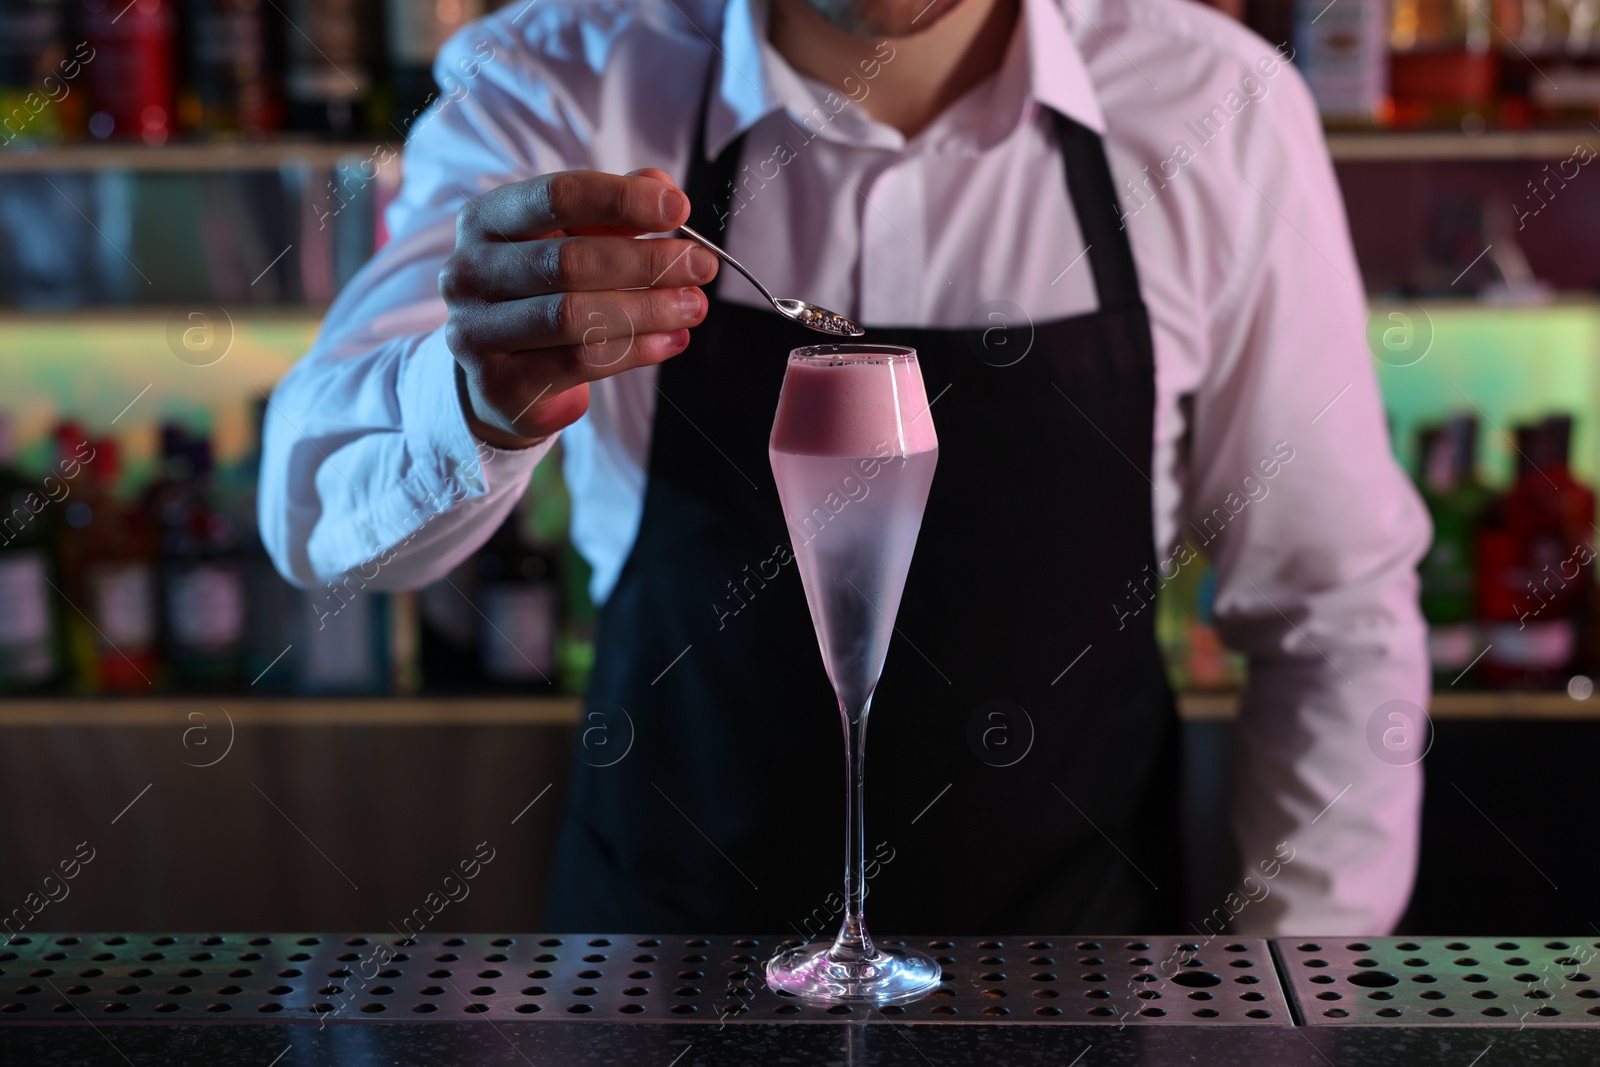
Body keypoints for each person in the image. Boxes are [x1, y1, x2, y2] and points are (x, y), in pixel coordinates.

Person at [259, 0, 1430, 935]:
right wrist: (472, 393)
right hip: (669, 969)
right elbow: (313, 509)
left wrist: (1280, 1000)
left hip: (1078, 978)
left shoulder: (1216, 108)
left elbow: (1333, 615)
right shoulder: (555, 80)